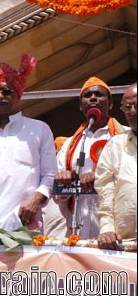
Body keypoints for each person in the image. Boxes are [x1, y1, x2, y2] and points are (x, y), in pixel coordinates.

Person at [0, 53, 57, 236]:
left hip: (25, 223)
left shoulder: (39, 129)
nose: (0, 96)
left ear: (18, 95)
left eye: (7, 91)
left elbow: (50, 174)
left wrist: (36, 198)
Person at [52, 77, 127, 239]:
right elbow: (59, 198)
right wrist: (63, 182)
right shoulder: (70, 145)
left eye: (99, 94)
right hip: (80, 228)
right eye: (88, 96)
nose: (93, 98)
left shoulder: (127, 137)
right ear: (81, 106)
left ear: (111, 103)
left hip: (120, 230)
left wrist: (100, 179)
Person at [96, 82, 137, 250]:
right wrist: (107, 230)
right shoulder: (115, 145)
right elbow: (105, 191)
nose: (132, 112)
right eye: (127, 108)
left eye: (136, 106)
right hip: (124, 246)